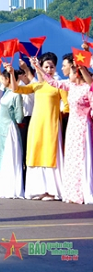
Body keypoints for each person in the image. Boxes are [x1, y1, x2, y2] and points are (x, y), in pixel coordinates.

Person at [29, 55, 92, 204]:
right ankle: (72, 192)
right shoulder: (70, 86)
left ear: (76, 72)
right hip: (72, 126)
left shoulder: (87, 88)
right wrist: (37, 67)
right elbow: (52, 82)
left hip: (83, 126)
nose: (65, 71)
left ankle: (83, 191)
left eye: (68, 70)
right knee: (71, 160)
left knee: (82, 159)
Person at [11, 53, 65, 201]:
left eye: (51, 67)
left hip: (51, 124)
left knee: (50, 155)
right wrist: (11, 73)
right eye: (46, 67)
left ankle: (52, 191)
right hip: (36, 124)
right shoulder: (37, 85)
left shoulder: (59, 85)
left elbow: (66, 106)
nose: (48, 69)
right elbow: (16, 89)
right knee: (36, 154)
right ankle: (40, 189)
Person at [0, 63, 25, 199]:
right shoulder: (6, 92)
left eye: (4, 79)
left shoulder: (16, 95)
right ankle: (2, 186)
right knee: (1, 155)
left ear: (9, 79)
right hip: (1, 128)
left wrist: (15, 122)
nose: (1, 80)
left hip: (10, 129)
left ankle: (12, 187)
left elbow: (19, 116)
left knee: (9, 156)